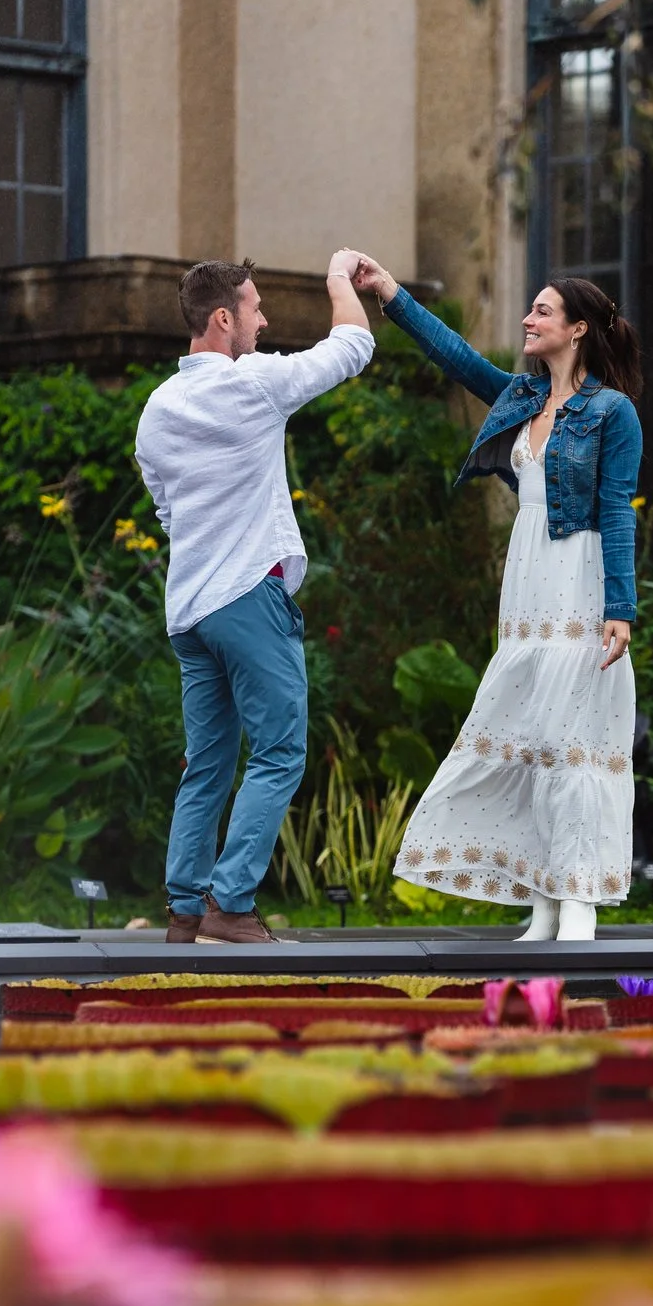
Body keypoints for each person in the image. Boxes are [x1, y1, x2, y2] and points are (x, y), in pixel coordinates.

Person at [347, 255, 640, 942]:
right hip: (528, 582)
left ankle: (579, 903)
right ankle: (544, 900)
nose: (528, 319)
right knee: (535, 738)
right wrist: (391, 294)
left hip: (581, 576)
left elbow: (619, 508)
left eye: (542, 311)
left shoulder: (611, 412)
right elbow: (454, 356)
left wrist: (620, 608)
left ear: (578, 330)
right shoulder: (521, 397)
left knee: (575, 744)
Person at [137, 253, 376, 944]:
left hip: (190, 610)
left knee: (207, 759)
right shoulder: (254, 384)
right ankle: (230, 905)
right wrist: (338, 277)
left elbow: (166, 510)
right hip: (247, 596)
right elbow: (353, 346)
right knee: (279, 750)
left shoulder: (157, 409)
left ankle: (185, 907)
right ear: (223, 318)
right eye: (256, 308)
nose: (265, 320)